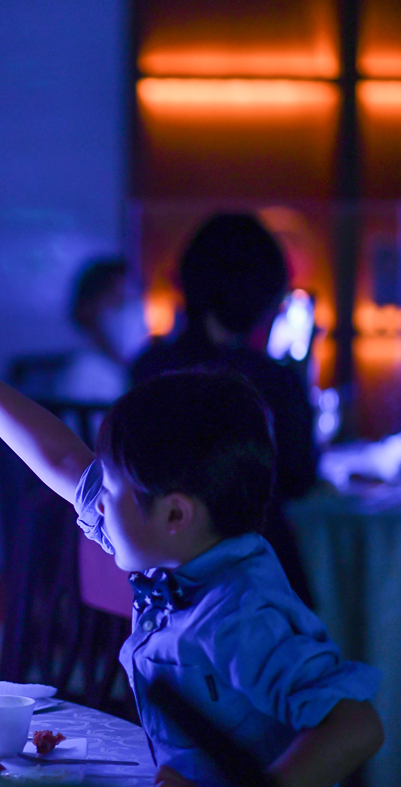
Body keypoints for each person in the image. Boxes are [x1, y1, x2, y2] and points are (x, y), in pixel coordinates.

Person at [0, 321, 383, 787]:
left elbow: (356, 725)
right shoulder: (177, 553)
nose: (96, 500)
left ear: (175, 513)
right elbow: (62, 457)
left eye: (110, 489)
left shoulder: (241, 614)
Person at [131, 213, 318, 607]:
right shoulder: (273, 381)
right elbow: (300, 478)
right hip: (253, 581)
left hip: (155, 579)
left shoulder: (148, 367)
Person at [54, 258, 144, 403]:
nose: (128, 312)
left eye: (131, 301)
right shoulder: (84, 373)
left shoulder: (137, 369)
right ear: (88, 308)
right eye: (117, 301)